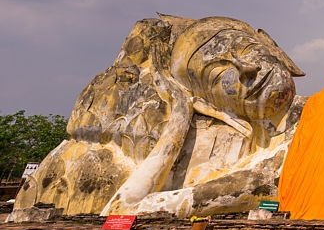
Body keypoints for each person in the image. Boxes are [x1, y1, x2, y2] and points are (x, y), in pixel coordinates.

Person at [14, 15, 305, 217]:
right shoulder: (260, 149)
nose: (245, 69)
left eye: (245, 49)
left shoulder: (317, 109)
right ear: (214, 106)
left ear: (273, 48)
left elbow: (266, 181)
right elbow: (127, 207)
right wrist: (178, 115)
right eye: (218, 76)